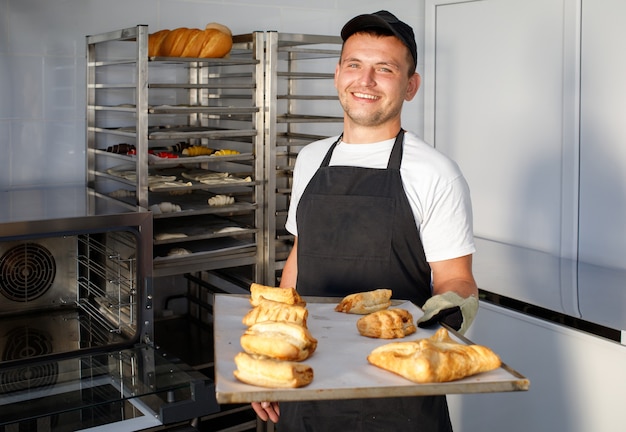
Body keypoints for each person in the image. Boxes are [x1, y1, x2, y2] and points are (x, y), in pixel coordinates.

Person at [252, 10, 479, 431]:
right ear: (338, 74)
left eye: (385, 69)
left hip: (396, 390)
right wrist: (272, 355)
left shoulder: (435, 172)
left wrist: (431, 333)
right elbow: (300, 260)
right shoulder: (310, 159)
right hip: (310, 376)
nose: (365, 80)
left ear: (411, 86)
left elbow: (457, 281)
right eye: (354, 64)